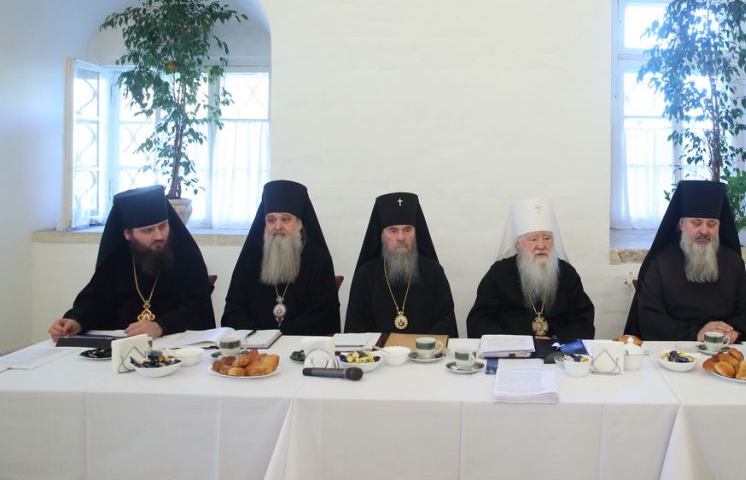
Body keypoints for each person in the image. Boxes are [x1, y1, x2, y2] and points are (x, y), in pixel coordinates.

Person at [48, 185, 215, 341]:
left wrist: (161, 326)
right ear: (127, 234)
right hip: (123, 347)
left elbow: (198, 310)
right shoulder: (116, 259)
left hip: (175, 346)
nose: (159, 236)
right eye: (148, 230)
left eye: (163, 226)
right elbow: (95, 301)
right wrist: (76, 321)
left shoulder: (187, 257)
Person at [625, 180, 746, 342]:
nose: (704, 230)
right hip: (674, 349)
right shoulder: (660, 263)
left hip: (724, 347)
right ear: (682, 224)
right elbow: (650, 319)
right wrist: (696, 334)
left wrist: (733, 331)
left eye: (712, 224)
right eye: (697, 223)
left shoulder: (732, 262)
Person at [222, 180, 340, 336]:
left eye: (285, 219)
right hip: (254, 345)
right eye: (271, 220)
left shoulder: (318, 260)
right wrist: (260, 336)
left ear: (299, 224)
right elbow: (233, 310)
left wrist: (281, 335)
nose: (277, 226)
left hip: (300, 345)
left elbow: (323, 314)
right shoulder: (250, 259)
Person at [467, 197, 594, 339]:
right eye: (533, 239)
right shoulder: (499, 274)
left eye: (547, 238)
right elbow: (479, 322)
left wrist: (556, 340)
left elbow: (584, 320)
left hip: (558, 350)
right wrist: (517, 343)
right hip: (513, 351)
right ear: (518, 244)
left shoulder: (567, 274)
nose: (541, 245)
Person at [345, 192, 458, 336]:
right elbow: (355, 327)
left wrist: (422, 346)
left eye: (407, 230)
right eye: (393, 231)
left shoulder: (434, 272)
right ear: (381, 236)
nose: (401, 237)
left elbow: (445, 320)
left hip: (425, 349)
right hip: (378, 350)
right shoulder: (365, 275)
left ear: (415, 234)